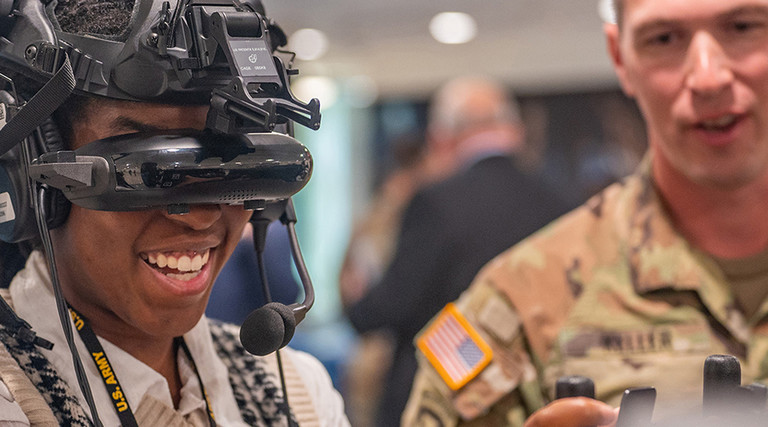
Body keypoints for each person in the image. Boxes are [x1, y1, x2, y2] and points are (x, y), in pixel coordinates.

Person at [402, 0, 768, 425]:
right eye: (663, 38)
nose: (708, 77)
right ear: (620, 57)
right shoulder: (519, 306)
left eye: (743, 27)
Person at [0, 1, 350, 425]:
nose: (200, 218)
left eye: (231, 166)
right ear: (28, 168)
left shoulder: (298, 393)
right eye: (148, 172)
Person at [344, 76, 571, 427]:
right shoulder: (560, 204)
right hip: (533, 403)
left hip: (441, 404)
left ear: (442, 138)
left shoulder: (435, 202)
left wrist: (357, 304)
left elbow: (394, 303)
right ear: (515, 130)